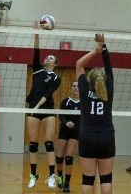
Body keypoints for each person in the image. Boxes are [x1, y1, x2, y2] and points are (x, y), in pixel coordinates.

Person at [76, 33, 115, 194]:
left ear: (89, 79)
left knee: (88, 178)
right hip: (106, 136)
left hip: (87, 136)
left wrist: (96, 51)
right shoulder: (109, 89)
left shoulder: (84, 89)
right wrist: (103, 47)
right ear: (104, 79)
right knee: (106, 178)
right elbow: (109, 66)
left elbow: (79, 64)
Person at [26, 33, 61, 188]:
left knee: (48, 142)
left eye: (51, 58)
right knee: (33, 143)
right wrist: (36, 35)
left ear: (54, 64)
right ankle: (33, 175)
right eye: (47, 57)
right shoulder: (37, 71)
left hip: (47, 109)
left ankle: (52, 175)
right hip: (33, 107)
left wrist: (39, 105)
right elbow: (36, 52)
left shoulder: (56, 78)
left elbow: (48, 94)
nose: (47, 59)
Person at [56, 81, 80, 192]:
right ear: (70, 89)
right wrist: (66, 123)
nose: (76, 88)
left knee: (69, 157)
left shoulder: (84, 103)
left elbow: (85, 118)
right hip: (64, 131)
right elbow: (61, 115)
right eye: (74, 86)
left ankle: (67, 183)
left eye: (78, 86)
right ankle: (60, 177)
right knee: (59, 157)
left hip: (75, 133)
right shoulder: (65, 101)